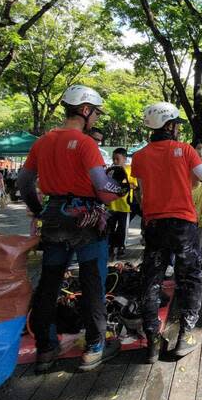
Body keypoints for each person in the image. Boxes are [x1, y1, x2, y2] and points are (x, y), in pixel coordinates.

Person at [17, 85, 126, 373]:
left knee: (50, 283)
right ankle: (93, 347)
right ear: (86, 110)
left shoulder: (42, 142)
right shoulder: (85, 143)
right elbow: (103, 187)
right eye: (96, 114)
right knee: (93, 282)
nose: (96, 120)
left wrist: (41, 210)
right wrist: (121, 189)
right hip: (85, 219)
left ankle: (46, 349)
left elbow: (25, 182)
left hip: (53, 214)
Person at [131, 101, 202, 362]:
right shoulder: (185, 151)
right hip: (183, 225)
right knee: (190, 278)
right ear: (169, 126)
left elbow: (141, 191)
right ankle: (185, 336)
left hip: (154, 225)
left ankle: (152, 342)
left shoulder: (139, 156)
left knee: (152, 280)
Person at [106, 148, 136, 259]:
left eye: (117, 159)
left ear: (124, 158)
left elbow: (135, 185)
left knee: (122, 228)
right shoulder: (111, 170)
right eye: (113, 158)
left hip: (125, 206)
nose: (115, 161)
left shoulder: (130, 170)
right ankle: (110, 246)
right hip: (111, 205)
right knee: (110, 227)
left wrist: (124, 185)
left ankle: (120, 246)